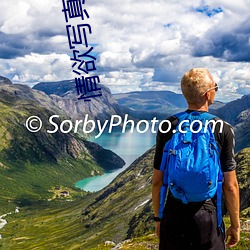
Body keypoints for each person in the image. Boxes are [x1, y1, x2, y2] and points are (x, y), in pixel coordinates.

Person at [152, 68, 240, 250]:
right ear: (208, 94)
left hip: (174, 212)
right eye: (216, 87)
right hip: (207, 215)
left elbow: (157, 181)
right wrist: (235, 225)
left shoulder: (168, 125)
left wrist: (158, 218)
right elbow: (230, 185)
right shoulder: (222, 129)